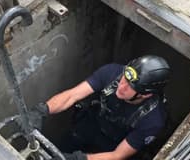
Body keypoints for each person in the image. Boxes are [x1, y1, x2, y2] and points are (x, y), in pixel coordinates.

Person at [29, 55, 171, 160]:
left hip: (115, 144)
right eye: (124, 78)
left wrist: (80, 159)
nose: (122, 86)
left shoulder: (152, 121)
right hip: (92, 124)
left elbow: (117, 155)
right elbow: (72, 95)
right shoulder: (112, 72)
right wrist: (42, 110)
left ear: (145, 95)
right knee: (61, 149)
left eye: (131, 87)